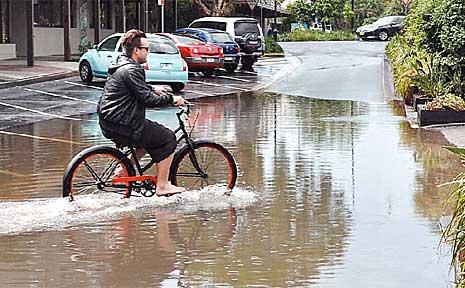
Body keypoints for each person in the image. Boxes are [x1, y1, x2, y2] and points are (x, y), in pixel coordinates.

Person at [97, 29, 186, 196]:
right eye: (146, 49)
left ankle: (123, 172)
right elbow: (147, 100)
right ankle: (163, 186)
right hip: (124, 123)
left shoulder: (122, 64)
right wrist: (172, 99)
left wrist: (153, 88)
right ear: (136, 50)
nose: (148, 52)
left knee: (148, 139)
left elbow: (134, 87)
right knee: (167, 137)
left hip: (111, 122)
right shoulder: (133, 69)